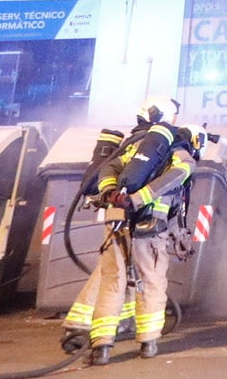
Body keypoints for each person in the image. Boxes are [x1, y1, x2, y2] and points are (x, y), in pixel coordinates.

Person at [63, 96, 203, 364]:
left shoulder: (128, 148)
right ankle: (148, 342)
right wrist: (140, 199)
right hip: (148, 226)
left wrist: (110, 193)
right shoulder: (172, 147)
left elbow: (107, 170)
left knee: (112, 281)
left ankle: (101, 347)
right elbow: (183, 170)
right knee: (152, 281)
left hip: (116, 221)